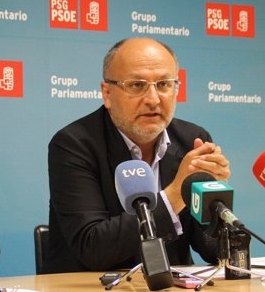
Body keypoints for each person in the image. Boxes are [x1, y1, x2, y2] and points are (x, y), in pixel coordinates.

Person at [44, 37, 231, 274]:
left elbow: (213, 251)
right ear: (107, 94)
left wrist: (213, 196)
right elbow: (93, 247)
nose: (153, 99)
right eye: (136, 85)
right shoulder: (74, 144)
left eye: (164, 84)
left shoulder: (192, 139)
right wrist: (176, 194)